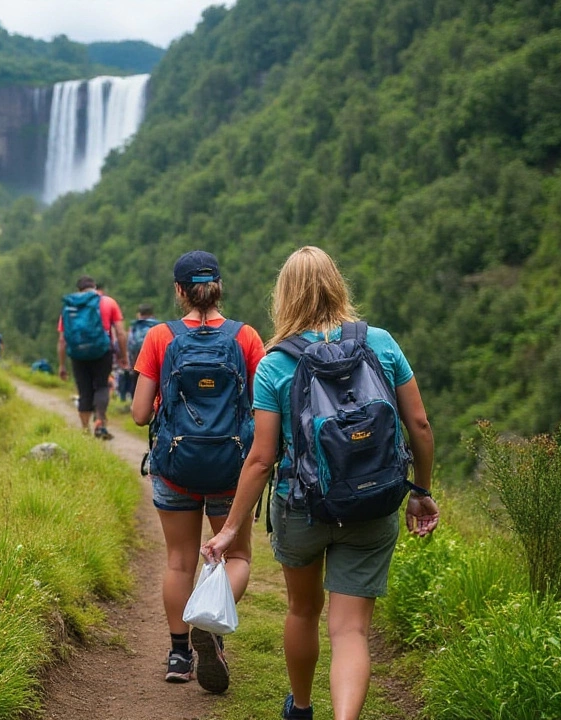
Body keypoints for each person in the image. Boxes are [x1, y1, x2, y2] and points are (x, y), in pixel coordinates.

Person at [201, 246, 438, 720]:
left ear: (284, 296)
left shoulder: (275, 364)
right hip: (372, 503)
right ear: (338, 285)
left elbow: (262, 458)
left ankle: (302, 708)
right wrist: (422, 493)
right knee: (350, 631)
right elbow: (420, 425)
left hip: (301, 506)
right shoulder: (382, 344)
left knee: (303, 611)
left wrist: (229, 529)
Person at [131, 250, 265, 693]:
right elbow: (263, 408)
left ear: (179, 291)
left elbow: (136, 414)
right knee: (238, 557)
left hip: (175, 468)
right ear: (219, 287)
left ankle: (178, 653)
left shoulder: (159, 337)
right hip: (232, 469)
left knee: (179, 560)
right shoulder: (245, 337)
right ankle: (210, 625)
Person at [58, 275, 127, 440]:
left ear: (78, 290)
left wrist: (62, 365)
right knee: (102, 386)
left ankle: (84, 430)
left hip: (77, 354)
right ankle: (100, 421)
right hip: (102, 352)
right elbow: (120, 332)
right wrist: (123, 356)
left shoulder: (69, 306)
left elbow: (62, 340)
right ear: (95, 288)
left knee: (84, 391)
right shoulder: (108, 302)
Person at [120, 303, 159, 402]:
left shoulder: (134, 326)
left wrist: (131, 363)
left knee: (137, 384)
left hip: (137, 362)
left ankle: (136, 407)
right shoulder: (158, 326)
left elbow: (130, 345)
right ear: (152, 314)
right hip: (155, 363)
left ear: (139, 314)